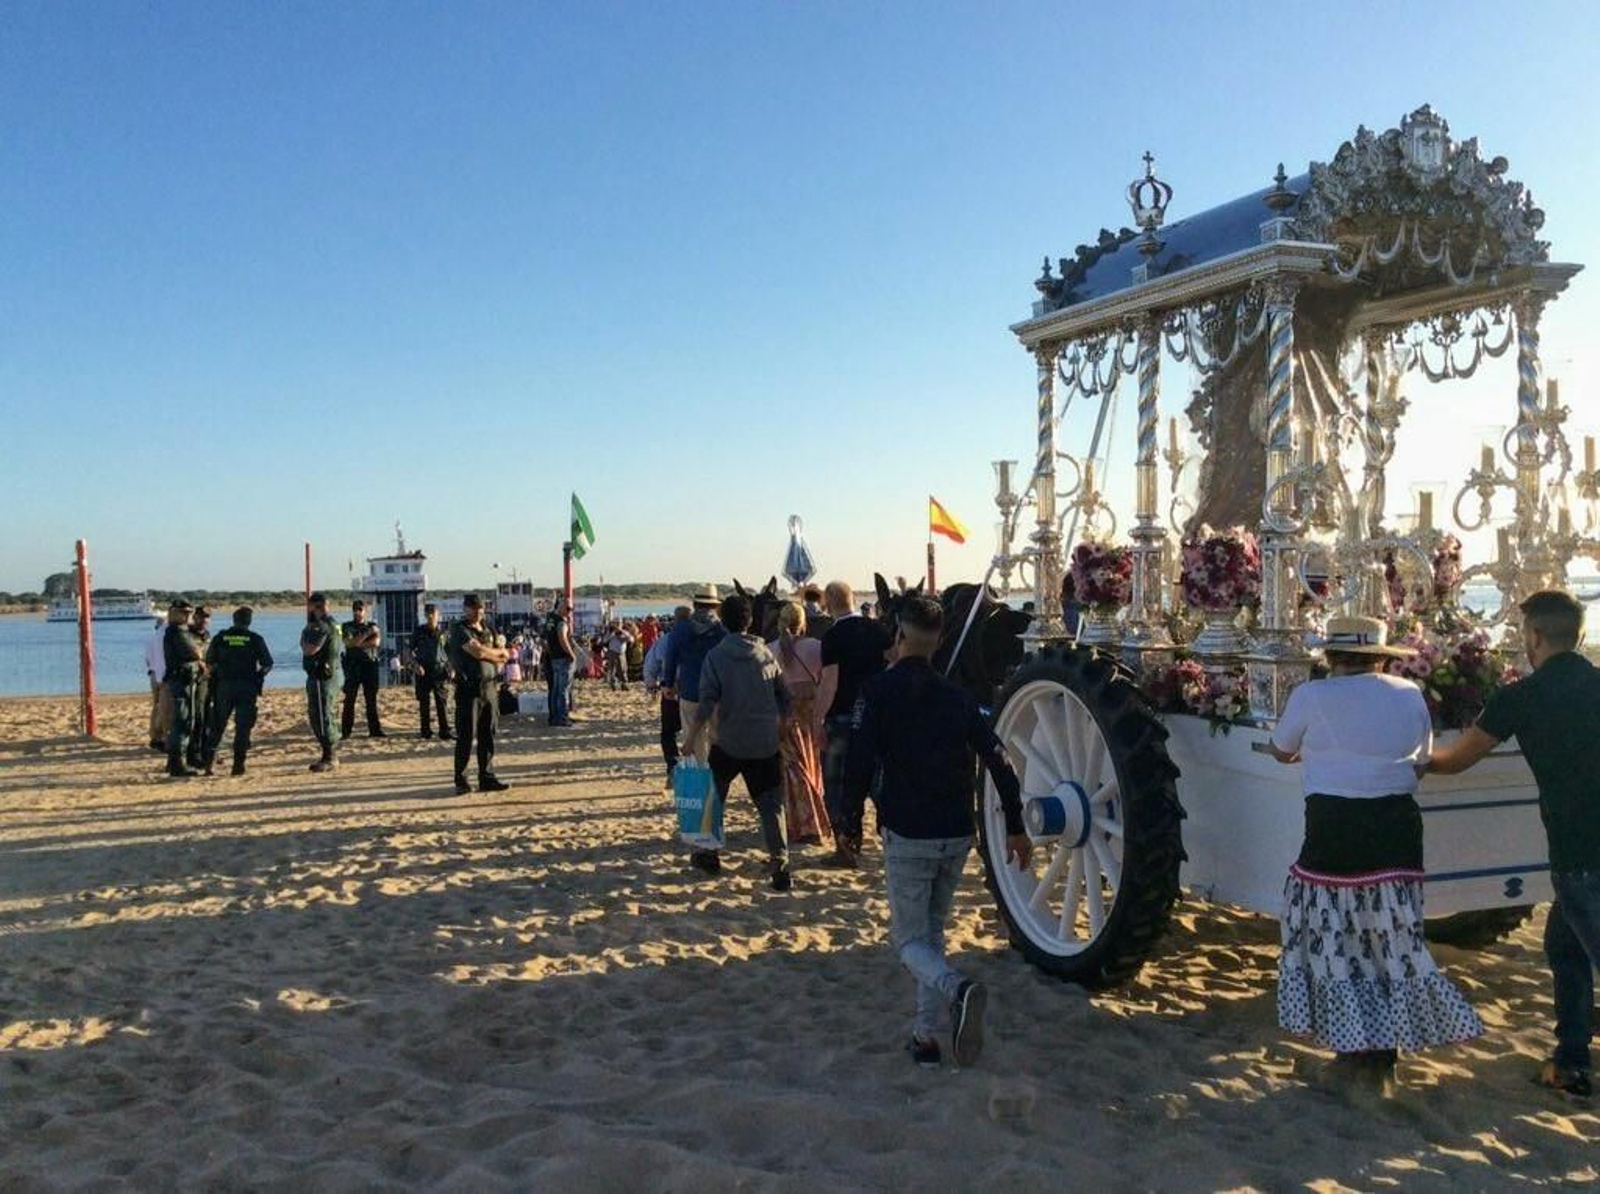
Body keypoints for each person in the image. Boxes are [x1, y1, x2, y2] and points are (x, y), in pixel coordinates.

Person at [1268, 615, 1482, 1094]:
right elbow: (1422, 762)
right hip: (1397, 827)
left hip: (1335, 828)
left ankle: (1351, 1057)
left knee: (1338, 939)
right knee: (1389, 939)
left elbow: (1283, 750)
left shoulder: (1311, 696)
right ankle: (1383, 1061)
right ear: (1382, 657)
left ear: (1330, 656)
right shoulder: (1408, 695)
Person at [1429, 590, 1600, 1098]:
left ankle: (1572, 1062)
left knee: (1581, 947)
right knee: (1563, 948)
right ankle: (1570, 1064)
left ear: (1534, 637)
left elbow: (1460, 759)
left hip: (1579, 851)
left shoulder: (1520, 697)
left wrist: (1417, 760)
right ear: (1581, 636)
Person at [845, 596, 1027, 1069]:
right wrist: (1015, 824)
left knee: (908, 943)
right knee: (931, 933)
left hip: (909, 829)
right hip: (956, 830)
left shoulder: (877, 692)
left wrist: (847, 821)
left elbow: (859, 764)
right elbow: (1000, 760)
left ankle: (958, 990)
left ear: (898, 637)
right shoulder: (958, 698)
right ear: (940, 641)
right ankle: (925, 1037)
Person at [682, 593, 792, 890]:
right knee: (771, 804)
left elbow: (706, 702)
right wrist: (783, 725)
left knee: (713, 797)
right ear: (751, 620)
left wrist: (691, 737)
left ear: (723, 621)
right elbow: (784, 695)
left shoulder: (716, 656)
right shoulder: (766, 654)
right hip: (765, 742)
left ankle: (708, 853)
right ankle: (780, 862)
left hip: (728, 741)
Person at [817, 579, 892, 867]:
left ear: (828, 602)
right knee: (878, 782)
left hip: (842, 717)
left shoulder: (833, 637)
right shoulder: (877, 629)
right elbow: (894, 661)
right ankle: (891, 838)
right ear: (853, 598)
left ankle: (847, 846)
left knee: (837, 784)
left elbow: (829, 683)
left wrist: (817, 719)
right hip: (876, 716)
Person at [769, 601, 830, 846]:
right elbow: (826, 680)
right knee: (812, 765)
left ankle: (797, 822)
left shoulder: (770, 649)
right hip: (811, 712)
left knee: (792, 769)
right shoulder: (816, 647)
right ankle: (814, 819)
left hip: (783, 713)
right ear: (803, 622)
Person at [447, 594, 512, 795]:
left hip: (490, 687)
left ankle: (487, 776)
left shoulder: (488, 628)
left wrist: (493, 653)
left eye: (480, 608)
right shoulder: (459, 629)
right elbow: (478, 653)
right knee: (466, 735)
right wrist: (493, 654)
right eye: (474, 608)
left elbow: (505, 654)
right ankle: (462, 779)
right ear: (466, 608)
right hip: (469, 688)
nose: (478, 611)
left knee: (488, 734)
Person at [659, 585, 727, 763]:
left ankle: (700, 777)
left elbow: (671, 657)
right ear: (715, 605)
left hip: (689, 690)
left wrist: (668, 684)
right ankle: (715, 778)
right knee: (716, 740)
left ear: (695, 604)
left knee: (693, 738)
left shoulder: (681, 628)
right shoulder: (722, 630)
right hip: (717, 693)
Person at [205, 606, 274, 776]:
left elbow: (209, 662)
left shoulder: (221, 638)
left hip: (224, 687)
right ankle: (238, 765)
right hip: (246, 686)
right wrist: (258, 676)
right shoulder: (254, 639)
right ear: (248, 621)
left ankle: (209, 764)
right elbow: (267, 663)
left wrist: (216, 675)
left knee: (218, 725)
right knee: (243, 728)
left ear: (234, 620)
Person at [644, 606, 690, 792]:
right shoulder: (697, 640)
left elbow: (650, 666)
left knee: (668, 733)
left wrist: (651, 686)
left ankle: (673, 767)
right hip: (693, 693)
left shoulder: (665, 641)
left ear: (674, 621)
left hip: (670, 692)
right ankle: (692, 770)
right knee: (693, 733)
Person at [300, 592, 344, 773]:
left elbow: (310, 650)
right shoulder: (334, 624)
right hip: (333, 673)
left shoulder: (321, 626)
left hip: (322, 676)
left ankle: (330, 756)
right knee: (325, 713)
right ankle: (330, 753)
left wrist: (304, 638)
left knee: (321, 714)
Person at [161, 600, 205, 778]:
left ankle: (179, 761)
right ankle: (177, 764)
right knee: (184, 721)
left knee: (187, 720)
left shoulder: (181, 631)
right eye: (182, 613)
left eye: (188, 613)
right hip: (182, 680)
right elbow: (196, 653)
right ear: (173, 613)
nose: (186, 616)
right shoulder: (177, 632)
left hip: (185, 679)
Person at [340, 599, 386, 739]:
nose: (358, 612)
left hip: (369, 666)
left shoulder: (372, 625)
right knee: (350, 700)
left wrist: (358, 643)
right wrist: (366, 635)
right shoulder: (346, 626)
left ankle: (374, 730)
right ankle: (346, 731)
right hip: (352, 666)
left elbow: (376, 642)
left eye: (360, 610)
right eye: (355, 609)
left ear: (365, 611)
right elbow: (349, 643)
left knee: (371, 700)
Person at [410, 603, 453, 739]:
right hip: (423, 670)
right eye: (427, 613)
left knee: (441, 702)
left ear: (438, 615)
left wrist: (452, 668)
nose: (430, 616)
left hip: (439, 670)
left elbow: (451, 652)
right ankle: (425, 731)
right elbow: (408, 651)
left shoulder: (444, 633)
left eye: (432, 613)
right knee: (424, 702)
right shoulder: (419, 631)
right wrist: (415, 665)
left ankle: (444, 731)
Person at [186, 606, 215, 772]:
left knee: (205, 717)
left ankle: (204, 752)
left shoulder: (207, 635)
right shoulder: (187, 634)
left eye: (207, 617)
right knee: (195, 717)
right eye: (201, 616)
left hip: (205, 679)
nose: (204, 620)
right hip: (192, 679)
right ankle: (193, 754)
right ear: (195, 617)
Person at [544, 600, 577, 726]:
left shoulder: (550, 621)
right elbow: (562, 638)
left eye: (571, 609)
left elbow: (545, 640)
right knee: (563, 690)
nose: (570, 611)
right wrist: (571, 654)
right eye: (568, 609)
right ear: (561, 608)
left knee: (556, 690)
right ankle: (562, 717)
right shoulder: (561, 623)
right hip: (563, 658)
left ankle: (554, 717)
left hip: (554, 658)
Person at [144, 616, 170, 752]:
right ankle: (163, 738)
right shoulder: (165, 637)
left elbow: (147, 660)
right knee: (166, 708)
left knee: (156, 706)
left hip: (153, 674)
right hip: (163, 674)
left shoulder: (151, 638)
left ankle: (154, 736)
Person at [606, 622, 634, 690]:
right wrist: (611, 633)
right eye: (616, 625)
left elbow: (631, 639)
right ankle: (613, 684)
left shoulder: (624, 632)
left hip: (621, 653)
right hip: (612, 652)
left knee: (623, 669)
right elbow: (605, 640)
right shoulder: (610, 632)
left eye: (619, 625)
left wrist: (622, 633)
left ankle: (624, 684)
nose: (617, 626)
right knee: (612, 669)